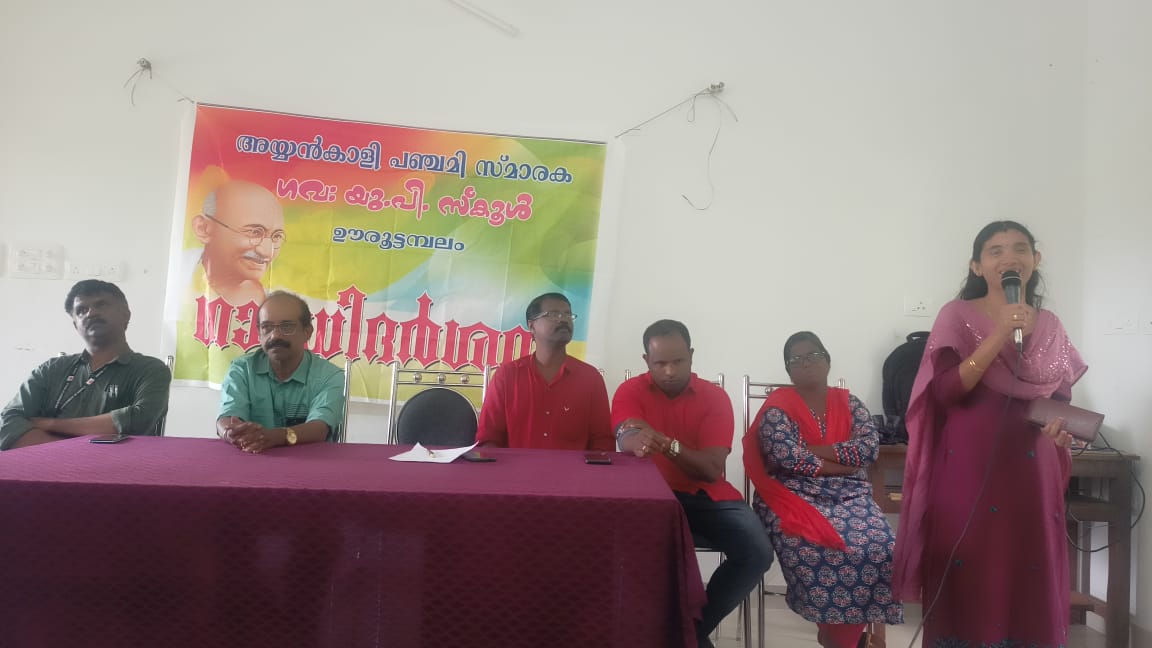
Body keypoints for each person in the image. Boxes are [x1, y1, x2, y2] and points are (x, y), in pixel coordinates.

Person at [892, 221, 1086, 647]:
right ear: (977, 266)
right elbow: (945, 392)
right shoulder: (956, 315)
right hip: (969, 468)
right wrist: (1000, 333)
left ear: (1035, 259)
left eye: (1019, 248)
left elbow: (1060, 399)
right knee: (972, 567)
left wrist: (1064, 432)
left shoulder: (1051, 325)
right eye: (996, 251)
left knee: (1028, 568)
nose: (1009, 257)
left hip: (1034, 472)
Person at [613, 319, 773, 648]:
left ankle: (690, 631)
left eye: (678, 361)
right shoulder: (630, 390)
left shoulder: (715, 398)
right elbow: (627, 435)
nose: (669, 371)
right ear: (646, 361)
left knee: (757, 552)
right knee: (618, 548)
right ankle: (676, 635)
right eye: (660, 363)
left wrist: (665, 443)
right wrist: (635, 439)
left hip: (708, 497)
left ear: (692, 355)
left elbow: (711, 470)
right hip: (650, 499)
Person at [744, 332, 903, 648]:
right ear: (788, 370)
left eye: (814, 355)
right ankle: (837, 635)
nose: (806, 363)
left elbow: (868, 449)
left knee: (880, 546)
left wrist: (813, 450)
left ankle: (840, 638)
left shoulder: (851, 404)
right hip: (792, 493)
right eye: (796, 359)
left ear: (828, 361)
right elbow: (786, 456)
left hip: (851, 494)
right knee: (812, 545)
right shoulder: (778, 407)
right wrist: (841, 462)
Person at [0, 280, 171, 450]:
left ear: (125, 314)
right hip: (42, 462)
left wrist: (51, 424)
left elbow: (139, 420)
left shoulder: (150, 370)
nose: (91, 313)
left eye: (101, 305)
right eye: (81, 310)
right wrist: (70, 451)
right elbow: (7, 422)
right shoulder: (51, 369)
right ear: (75, 325)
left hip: (115, 465)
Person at [475, 292, 613, 451]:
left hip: (574, 468)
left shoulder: (590, 378)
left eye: (568, 314)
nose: (564, 319)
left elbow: (602, 442)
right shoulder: (507, 376)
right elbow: (488, 439)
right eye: (553, 314)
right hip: (517, 467)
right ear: (531, 326)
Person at [216, 291, 344, 453]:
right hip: (253, 459)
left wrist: (275, 437)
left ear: (307, 332)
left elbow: (320, 428)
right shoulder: (242, 369)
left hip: (311, 462)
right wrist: (231, 432)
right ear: (259, 332)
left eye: (287, 327)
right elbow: (227, 417)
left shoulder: (329, 375)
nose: (275, 335)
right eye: (267, 327)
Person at [192, 180, 286, 305]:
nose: (267, 252)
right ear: (204, 229)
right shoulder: (179, 289)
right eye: (254, 232)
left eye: (276, 236)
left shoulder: (285, 304)